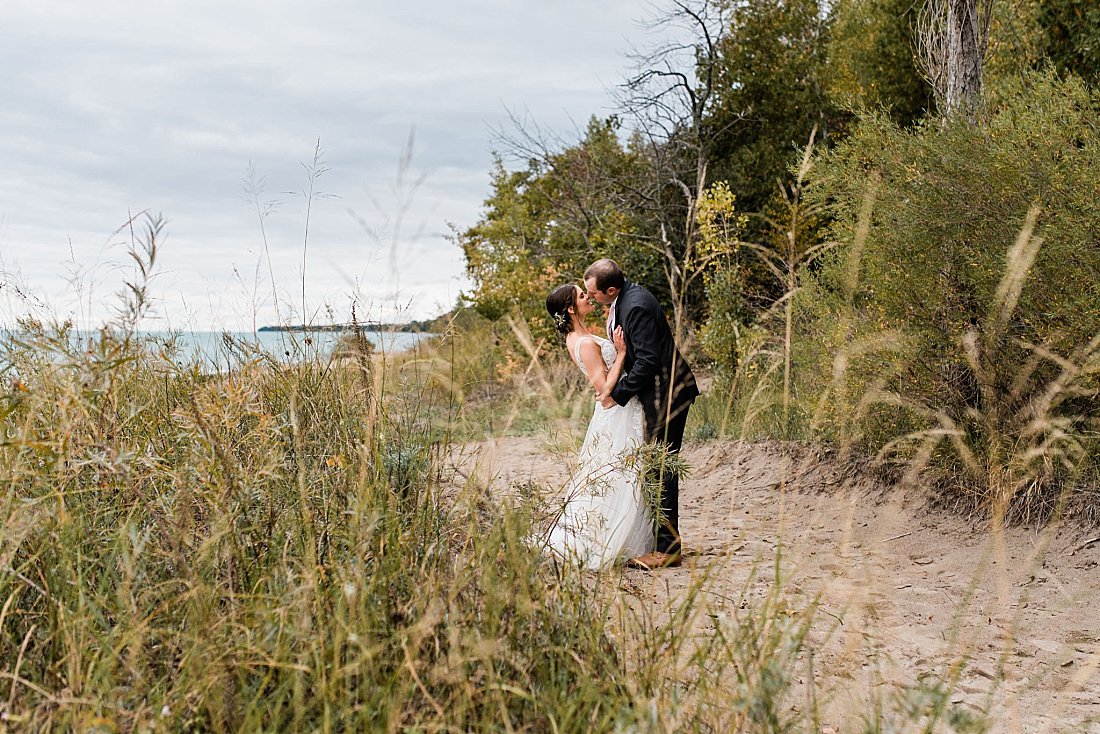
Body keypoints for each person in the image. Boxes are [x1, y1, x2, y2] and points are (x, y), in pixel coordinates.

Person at [584, 258, 699, 570]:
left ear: (611, 288)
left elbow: (648, 362)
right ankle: (659, 541)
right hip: (656, 393)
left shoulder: (635, 305)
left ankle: (668, 550)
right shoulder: (624, 299)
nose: (592, 300)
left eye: (594, 294)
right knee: (653, 467)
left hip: (667, 393)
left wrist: (616, 395)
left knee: (661, 468)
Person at [540, 283, 654, 570]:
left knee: (619, 471)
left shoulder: (577, 337)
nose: (587, 297)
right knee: (622, 473)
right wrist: (623, 353)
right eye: (581, 296)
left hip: (615, 411)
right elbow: (604, 389)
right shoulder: (585, 344)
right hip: (617, 412)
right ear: (570, 308)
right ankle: (608, 538)